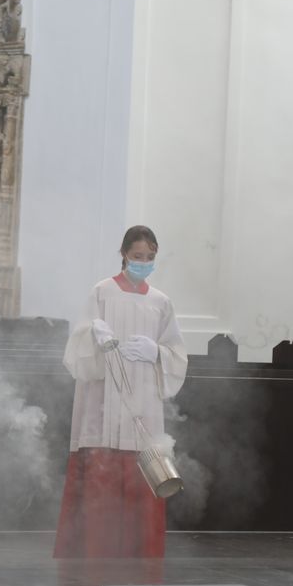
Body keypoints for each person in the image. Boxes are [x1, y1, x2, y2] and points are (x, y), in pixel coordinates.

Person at [54, 225, 188, 558]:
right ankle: (94, 559)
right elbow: (77, 354)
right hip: (103, 405)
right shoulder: (101, 292)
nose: (143, 262)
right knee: (101, 481)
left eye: (150, 257)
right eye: (137, 256)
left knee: (141, 483)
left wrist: (156, 352)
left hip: (143, 406)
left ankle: (140, 558)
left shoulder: (161, 302)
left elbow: (176, 354)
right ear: (124, 254)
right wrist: (93, 337)